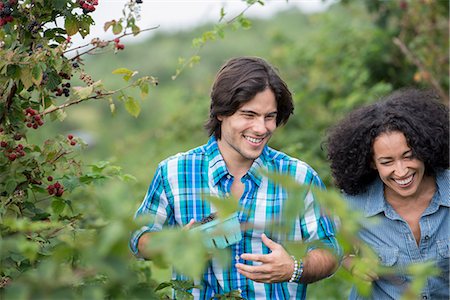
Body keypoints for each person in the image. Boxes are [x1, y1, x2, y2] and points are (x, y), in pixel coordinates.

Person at [130, 56, 340, 299]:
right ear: (221, 112)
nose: (261, 128)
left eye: (269, 117)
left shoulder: (299, 177)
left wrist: (293, 267)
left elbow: (330, 250)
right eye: (248, 115)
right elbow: (139, 237)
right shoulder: (174, 172)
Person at [326, 88, 449, 299]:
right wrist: (351, 262)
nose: (401, 171)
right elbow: (323, 240)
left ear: (424, 149)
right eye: (387, 162)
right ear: (372, 163)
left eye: (409, 156)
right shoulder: (353, 205)